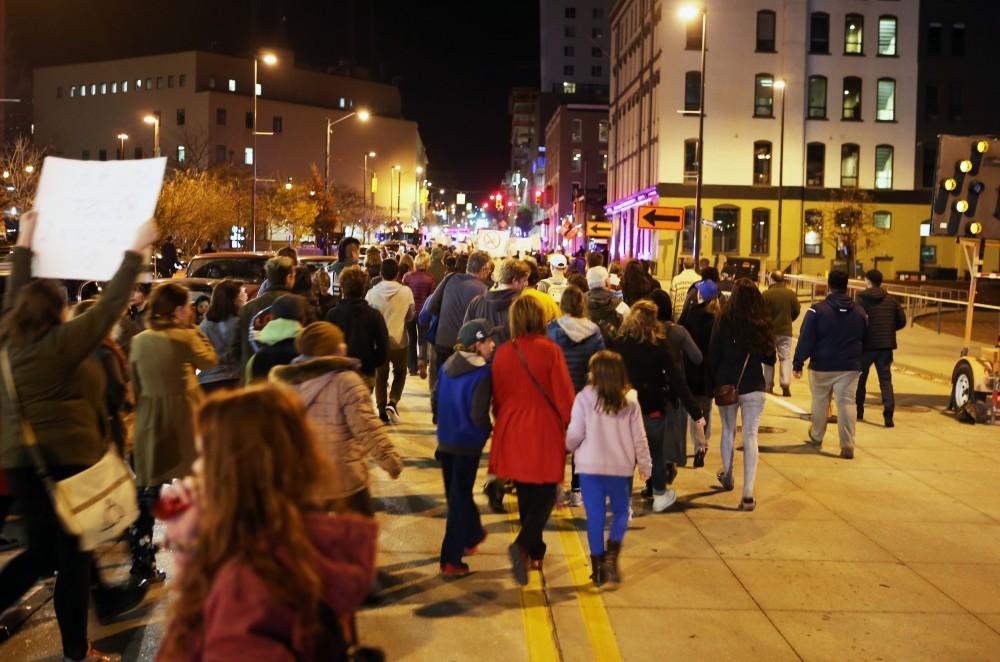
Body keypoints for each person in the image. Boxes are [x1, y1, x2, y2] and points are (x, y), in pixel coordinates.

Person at [0, 212, 156, 662]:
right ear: (57, 312)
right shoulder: (60, 344)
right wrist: (135, 250)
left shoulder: (10, 335)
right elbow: (108, 308)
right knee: (68, 558)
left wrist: (26, 241)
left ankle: (77, 649)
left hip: (22, 464)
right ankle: (76, 652)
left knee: (44, 555)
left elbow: (17, 290)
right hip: (65, 463)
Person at [157, 386, 378, 661]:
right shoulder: (290, 543)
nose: (196, 469)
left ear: (234, 469)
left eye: (204, 456)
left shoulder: (244, 588)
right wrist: (189, 549)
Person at [130, 281, 218, 583]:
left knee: (147, 491)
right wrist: (193, 328)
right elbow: (210, 360)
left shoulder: (140, 340)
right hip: (184, 419)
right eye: (189, 307)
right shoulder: (184, 337)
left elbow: (135, 384)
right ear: (180, 310)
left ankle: (142, 559)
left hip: (149, 420)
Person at [270, 322, 402, 517]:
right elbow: (366, 427)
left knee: (312, 541)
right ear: (338, 348)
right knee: (358, 537)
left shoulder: (286, 384)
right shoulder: (346, 381)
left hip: (306, 480)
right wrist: (389, 460)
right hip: (345, 479)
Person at [490, 297, 575, 584]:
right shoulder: (551, 351)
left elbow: (497, 397)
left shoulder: (503, 352)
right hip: (543, 428)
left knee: (526, 492)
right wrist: (569, 426)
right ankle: (524, 543)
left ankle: (535, 551)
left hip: (512, 426)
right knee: (546, 492)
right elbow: (564, 396)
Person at [566, 351, 652, 586]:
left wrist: (567, 447)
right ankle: (612, 554)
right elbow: (639, 437)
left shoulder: (584, 397)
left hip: (589, 468)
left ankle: (598, 570)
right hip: (619, 467)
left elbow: (575, 433)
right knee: (621, 512)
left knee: (595, 517)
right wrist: (645, 465)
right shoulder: (630, 399)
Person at [615, 301, 705, 512]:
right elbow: (677, 381)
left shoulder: (620, 343)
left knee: (627, 457)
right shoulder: (659, 345)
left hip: (626, 410)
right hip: (653, 410)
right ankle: (659, 495)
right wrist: (696, 412)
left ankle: (624, 503)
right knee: (656, 454)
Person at [431, 319, 497, 576]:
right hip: (467, 444)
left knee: (456, 495)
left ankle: (472, 535)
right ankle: (450, 558)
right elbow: (479, 413)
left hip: (446, 440)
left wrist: (442, 421)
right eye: (489, 340)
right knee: (458, 501)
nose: (492, 344)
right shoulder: (482, 373)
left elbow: (435, 398)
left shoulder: (448, 364)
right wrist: (486, 432)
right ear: (477, 344)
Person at [709, 279, 776, 511]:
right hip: (754, 385)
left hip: (727, 382)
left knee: (728, 430)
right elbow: (770, 357)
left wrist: (712, 380)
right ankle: (748, 494)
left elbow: (713, 352)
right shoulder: (762, 322)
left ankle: (727, 476)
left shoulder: (724, 319)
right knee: (750, 436)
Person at [793, 270, 868, 459]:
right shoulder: (860, 312)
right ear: (847, 286)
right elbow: (865, 336)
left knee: (820, 400)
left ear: (829, 286)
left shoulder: (817, 310)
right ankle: (847, 444)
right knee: (847, 403)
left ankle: (817, 436)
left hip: (822, 365)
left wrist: (798, 362)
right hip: (850, 366)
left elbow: (806, 337)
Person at [547, 285, 605, 506]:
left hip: (557, 394)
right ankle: (578, 490)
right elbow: (600, 363)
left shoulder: (552, 329)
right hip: (584, 394)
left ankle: (555, 487)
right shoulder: (594, 330)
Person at [425, 250, 491, 376]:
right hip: (464, 346)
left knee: (441, 384)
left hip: (442, 340)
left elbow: (430, 306)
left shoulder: (450, 278)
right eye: (488, 270)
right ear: (483, 269)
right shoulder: (483, 291)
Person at [366, 258, 415, 423]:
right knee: (400, 373)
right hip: (400, 340)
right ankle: (393, 401)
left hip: (378, 342)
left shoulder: (372, 293)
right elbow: (411, 315)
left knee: (381, 375)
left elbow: (368, 315)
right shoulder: (406, 292)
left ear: (380, 274)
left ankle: (381, 409)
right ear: (398, 274)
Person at [856, 269, 906, 427]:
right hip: (885, 346)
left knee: (860, 379)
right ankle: (889, 413)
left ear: (868, 281)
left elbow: (856, 320)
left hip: (866, 346)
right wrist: (888, 329)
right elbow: (902, 321)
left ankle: (859, 410)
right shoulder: (891, 300)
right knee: (885, 380)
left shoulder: (861, 299)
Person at [326, 266, 389, 391]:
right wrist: (371, 362)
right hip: (365, 372)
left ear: (342, 288)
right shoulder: (374, 315)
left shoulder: (332, 314)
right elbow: (383, 347)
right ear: (364, 288)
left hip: (338, 373)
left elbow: (325, 346)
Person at [680, 279, 721, 467]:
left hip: (693, 370)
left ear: (701, 294)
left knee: (694, 412)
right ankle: (705, 443)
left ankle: (698, 447)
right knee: (707, 409)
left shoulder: (692, 314)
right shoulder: (719, 317)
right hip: (710, 373)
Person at [239, 255, 296, 368]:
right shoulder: (298, 306)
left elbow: (240, 345)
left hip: (255, 373)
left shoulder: (247, 309)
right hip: (287, 375)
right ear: (289, 277)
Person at [464, 258, 529, 345]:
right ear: (515, 281)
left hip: (481, 357)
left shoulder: (476, 302)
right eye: (524, 280)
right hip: (510, 357)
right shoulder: (524, 306)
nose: (527, 284)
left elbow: (467, 334)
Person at [246, 294, 306, 383]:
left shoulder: (256, 358)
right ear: (303, 320)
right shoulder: (312, 353)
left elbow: (252, 393)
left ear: (272, 318)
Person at [198, 279, 246, 392]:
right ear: (233, 300)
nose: (245, 298)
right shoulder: (240, 322)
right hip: (233, 379)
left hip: (207, 381)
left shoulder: (204, 325)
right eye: (241, 294)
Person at [762, 271, 801, 397]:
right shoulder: (790, 294)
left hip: (769, 332)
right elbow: (796, 310)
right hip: (785, 331)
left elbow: (760, 312)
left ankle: (768, 385)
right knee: (785, 358)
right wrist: (788, 320)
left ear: (772, 279)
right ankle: (785, 384)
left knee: (768, 359)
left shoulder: (766, 294)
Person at [403, 252, 436, 378]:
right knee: (423, 339)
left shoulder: (408, 276)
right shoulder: (430, 278)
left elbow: (404, 293)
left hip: (410, 311)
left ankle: (412, 367)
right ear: (427, 263)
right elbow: (432, 297)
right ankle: (422, 360)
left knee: (411, 339)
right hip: (424, 313)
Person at [586, 266, 629, 344]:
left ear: (588, 284)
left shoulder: (578, 305)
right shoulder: (622, 308)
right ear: (606, 283)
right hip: (613, 354)